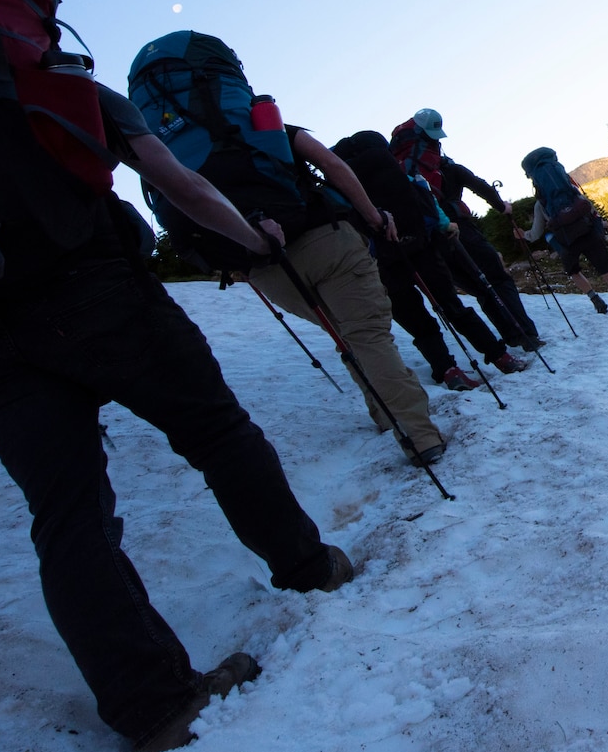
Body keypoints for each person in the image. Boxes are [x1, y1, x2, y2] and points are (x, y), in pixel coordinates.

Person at [0, 84, 359, 752]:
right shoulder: (49, 81)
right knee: (215, 431)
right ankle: (308, 567)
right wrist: (253, 240)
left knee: (65, 509)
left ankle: (155, 705)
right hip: (91, 288)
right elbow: (180, 185)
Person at [127, 32, 447, 466]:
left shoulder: (164, 149)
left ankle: (383, 414)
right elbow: (332, 166)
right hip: (326, 241)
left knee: (342, 336)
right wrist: (375, 217)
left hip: (263, 265)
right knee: (368, 335)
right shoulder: (265, 122)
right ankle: (419, 434)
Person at [333, 131, 525, 385]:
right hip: (421, 248)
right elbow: (429, 204)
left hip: (383, 262)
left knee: (416, 319)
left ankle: (447, 370)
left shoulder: (339, 183)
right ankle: (500, 356)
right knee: (453, 306)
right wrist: (445, 227)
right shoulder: (401, 172)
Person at [392, 108, 543, 350]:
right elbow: (480, 186)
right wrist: (502, 207)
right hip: (460, 230)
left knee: (480, 288)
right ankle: (524, 334)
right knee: (497, 279)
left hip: (428, 240)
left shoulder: (399, 168)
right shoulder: (446, 166)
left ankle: (512, 337)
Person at [519, 146, 608, 314]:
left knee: (573, 271)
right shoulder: (571, 190)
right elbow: (588, 207)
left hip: (566, 241)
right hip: (588, 233)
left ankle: (595, 299)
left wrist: (524, 235)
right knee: (606, 271)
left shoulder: (541, 204)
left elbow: (536, 233)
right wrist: (601, 222)